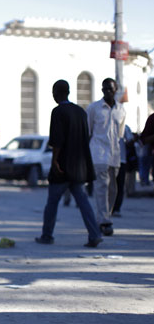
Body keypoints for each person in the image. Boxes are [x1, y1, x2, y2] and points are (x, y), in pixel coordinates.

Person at [35, 80, 102, 248]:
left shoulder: (58, 112)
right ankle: (94, 234)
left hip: (63, 166)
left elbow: (57, 140)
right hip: (78, 166)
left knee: (52, 202)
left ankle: (47, 235)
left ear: (56, 93)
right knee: (83, 202)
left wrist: (55, 161)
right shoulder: (80, 112)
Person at [87, 78, 126, 236]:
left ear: (116, 90)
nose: (107, 92)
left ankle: (103, 217)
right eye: (104, 89)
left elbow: (120, 134)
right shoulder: (94, 108)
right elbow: (88, 132)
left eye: (110, 89)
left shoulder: (121, 110)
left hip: (114, 155)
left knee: (112, 189)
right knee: (101, 187)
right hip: (98, 154)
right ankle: (104, 220)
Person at [112, 125, 135, 216]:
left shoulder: (125, 127)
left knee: (119, 186)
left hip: (121, 160)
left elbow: (130, 141)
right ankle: (108, 207)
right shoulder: (104, 123)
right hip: (108, 160)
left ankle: (116, 208)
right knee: (110, 185)